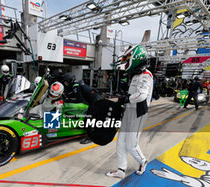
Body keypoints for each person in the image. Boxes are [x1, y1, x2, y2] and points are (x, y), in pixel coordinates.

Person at [106, 45, 153, 179]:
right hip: (128, 111)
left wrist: (127, 98)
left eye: (128, 58)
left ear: (136, 58)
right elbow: (133, 93)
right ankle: (121, 170)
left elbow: (142, 95)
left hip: (138, 113)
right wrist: (124, 98)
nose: (126, 61)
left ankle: (142, 161)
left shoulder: (146, 75)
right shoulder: (136, 75)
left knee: (131, 145)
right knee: (120, 142)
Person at [62, 72, 102, 144]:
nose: (66, 83)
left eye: (66, 81)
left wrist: (67, 100)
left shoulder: (75, 86)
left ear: (69, 80)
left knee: (88, 118)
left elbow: (79, 100)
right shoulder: (77, 83)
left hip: (95, 101)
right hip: (95, 99)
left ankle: (90, 137)